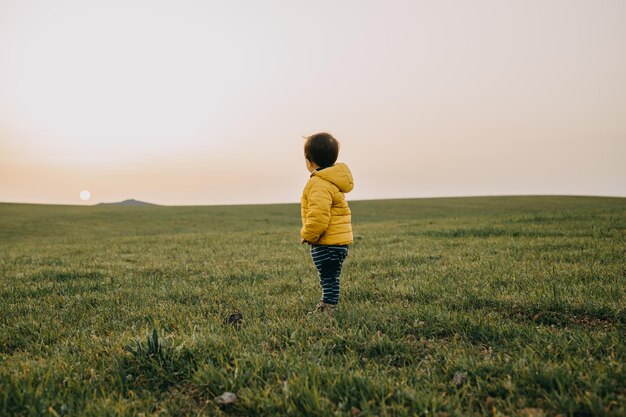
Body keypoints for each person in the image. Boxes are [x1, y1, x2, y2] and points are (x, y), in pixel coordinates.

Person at [300, 132, 354, 315]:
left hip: (327, 242)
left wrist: (308, 234)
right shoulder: (332, 182)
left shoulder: (319, 184)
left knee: (328, 277)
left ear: (309, 160)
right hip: (339, 242)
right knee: (330, 277)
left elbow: (319, 215)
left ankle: (328, 308)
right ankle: (327, 304)